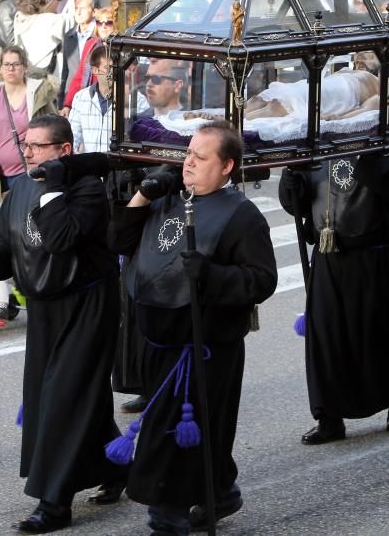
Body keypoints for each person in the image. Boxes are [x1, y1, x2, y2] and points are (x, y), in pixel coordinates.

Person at [107, 122, 278, 535]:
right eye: (188, 155)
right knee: (201, 437)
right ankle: (220, 493)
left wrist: (212, 275)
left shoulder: (241, 215)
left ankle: (167, 517)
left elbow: (262, 280)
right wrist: (144, 193)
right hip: (157, 341)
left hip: (204, 349)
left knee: (172, 437)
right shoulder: (169, 199)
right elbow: (119, 241)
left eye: (201, 158)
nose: (189, 164)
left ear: (227, 166)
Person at [0, 114, 126, 532]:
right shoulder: (21, 187)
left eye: (39, 147)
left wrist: (56, 185)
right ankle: (116, 464)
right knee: (63, 395)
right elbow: (5, 248)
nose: (28, 154)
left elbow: (60, 238)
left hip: (86, 302)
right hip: (44, 307)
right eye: (25, 146)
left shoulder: (87, 191)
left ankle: (54, 501)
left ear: (64, 151)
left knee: (65, 397)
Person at [278, 153, 389, 445]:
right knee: (328, 339)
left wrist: (365, 153)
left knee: (385, 334)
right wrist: (290, 182)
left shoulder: (385, 145)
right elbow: (298, 204)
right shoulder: (318, 148)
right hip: (330, 256)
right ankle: (329, 417)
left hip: (376, 255)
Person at [0, 45, 57, 202]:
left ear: (25, 66)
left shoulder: (39, 94)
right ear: (0, 68)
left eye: (16, 64)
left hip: (32, 171)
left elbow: (55, 129)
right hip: (0, 176)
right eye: (7, 64)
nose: (11, 69)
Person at [13, 0, 69, 84]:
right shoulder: (50, 20)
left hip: (25, 71)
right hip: (47, 76)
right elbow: (70, 23)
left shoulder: (19, 18)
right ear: (43, 1)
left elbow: (42, 13)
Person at [63, 6, 115, 113]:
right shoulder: (90, 44)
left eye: (108, 22)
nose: (103, 26)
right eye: (100, 23)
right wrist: (67, 105)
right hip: (89, 98)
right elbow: (80, 75)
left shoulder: (122, 47)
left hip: (113, 99)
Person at [67, 45, 113, 154]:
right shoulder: (81, 98)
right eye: (108, 68)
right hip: (89, 168)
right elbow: (73, 136)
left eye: (116, 67)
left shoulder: (134, 99)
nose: (113, 72)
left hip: (119, 168)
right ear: (95, 70)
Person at [58, 0, 96, 113]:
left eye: (83, 8)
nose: (78, 12)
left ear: (93, 11)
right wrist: (63, 103)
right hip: (72, 97)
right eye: (76, 8)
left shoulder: (99, 34)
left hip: (93, 95)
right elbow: (65, 73)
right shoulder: (69, 36)